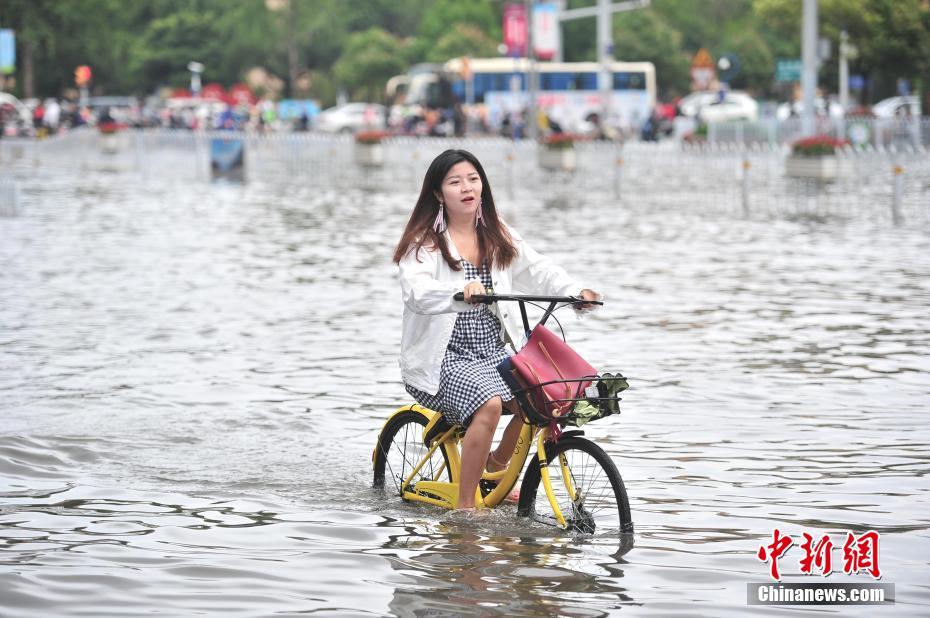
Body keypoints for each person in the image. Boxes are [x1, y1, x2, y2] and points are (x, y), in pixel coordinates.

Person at [393, 149, 600, 510]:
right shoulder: (425, 243)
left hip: (492, 351)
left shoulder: (497, 232)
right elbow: (417, 292)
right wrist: (458, 292)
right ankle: (465, 505)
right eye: (455, 182)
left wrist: (575, 293)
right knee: (489, 405)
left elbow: (540, 269)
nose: (467, 188)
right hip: (444, 359)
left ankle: (496, 468)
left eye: (473, 179)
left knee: (540, 394)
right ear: (439, 194)